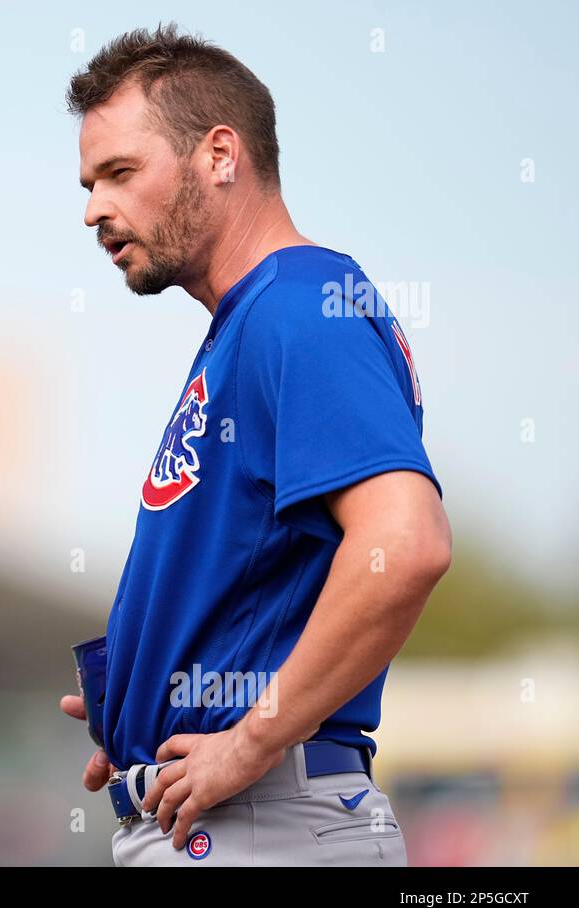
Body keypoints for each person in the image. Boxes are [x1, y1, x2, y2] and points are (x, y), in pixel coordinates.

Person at [60, 26, 452, 865]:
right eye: (91, 182)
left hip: (265, 821)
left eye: (121, 172)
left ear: (220, 155)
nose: (93, 206)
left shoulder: (299, 306)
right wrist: (145, 702)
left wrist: (247, 740)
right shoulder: (255, 318)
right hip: (226, 820)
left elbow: (406, 543)